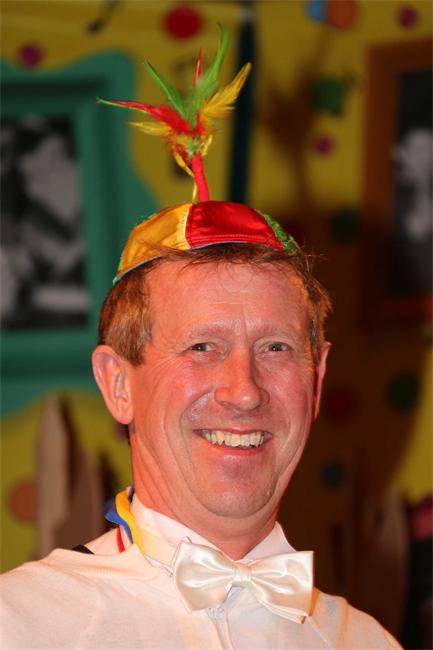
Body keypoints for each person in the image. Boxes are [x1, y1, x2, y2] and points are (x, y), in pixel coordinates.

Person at [1, 27, 401, 649]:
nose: (244, 392)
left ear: (318, 380)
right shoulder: (23, 623)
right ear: (117, 383)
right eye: (201, 347)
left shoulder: (366, 641)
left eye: (275, 348)